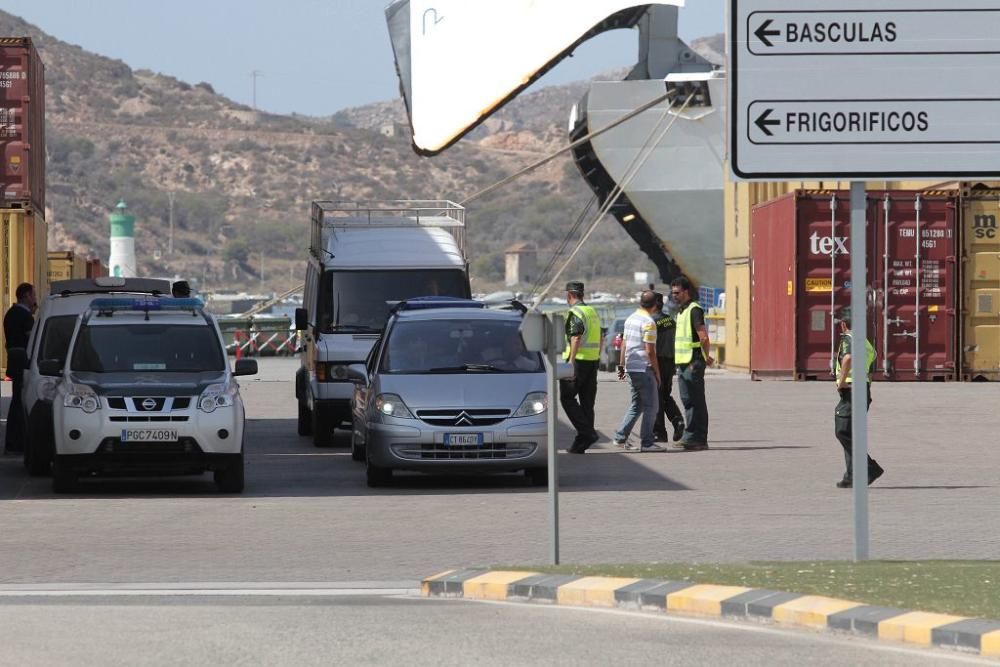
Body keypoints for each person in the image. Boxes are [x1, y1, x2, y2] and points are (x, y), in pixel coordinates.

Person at [833, 307, 884, 488]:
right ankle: (851, 475)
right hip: (863, 390)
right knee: (851, 433)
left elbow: (847, 358)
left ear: (844, 325)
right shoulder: (866, 343)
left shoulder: (849, 338)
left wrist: (841, 382)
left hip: (851, 391)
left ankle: (870, 467)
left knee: (842, 431)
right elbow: (871, 369)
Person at [612, 290, 663, 452]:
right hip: (643, 368)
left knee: (637, 405)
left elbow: (624, 345)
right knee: (652, 406)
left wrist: (621, 366)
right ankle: (647, 442)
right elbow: (650, 352)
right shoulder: (649, 322)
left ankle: (620, 437)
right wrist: (657, 373)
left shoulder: (630, 319)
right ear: (656, 305)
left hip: (631, 367)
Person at [560, 281, 602, 454]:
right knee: (587, 402)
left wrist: (571, 361)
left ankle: (587, 433)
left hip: (578, 361)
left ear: (569, 295)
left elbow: (575, 337)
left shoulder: (575, 312)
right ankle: (581, 443)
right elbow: (601, 337)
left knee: (567, 398)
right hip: (592, 361)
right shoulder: (591, 311)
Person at [671, 276, 712, 451]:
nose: (674, 296)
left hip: (692, 361)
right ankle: (694, 436)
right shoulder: (681, 311)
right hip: (682, 362)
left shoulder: (694, 310)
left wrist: (705, 357)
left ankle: (696, 437)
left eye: (677, 293)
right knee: (687, 399)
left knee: (695, 400)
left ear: (686, 292)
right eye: (672, 293)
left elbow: (703, 336)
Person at [3, 283, 36, 454]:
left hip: (13, 361)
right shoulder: (25, 317)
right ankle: (19, 441)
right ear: (25, 296)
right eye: (33, 295)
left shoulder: (10, 314)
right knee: (22, 402)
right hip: (23, 362)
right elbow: (32, 342)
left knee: (16, 401)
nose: (35, 298)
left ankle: (12, 441)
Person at [651, 292, 685, 442]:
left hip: (656, 362)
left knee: (655, 398)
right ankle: (678, 421)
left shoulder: (651, 321)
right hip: (670, 362)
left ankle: (659, 432)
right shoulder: (670, 321)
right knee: (664, 395)